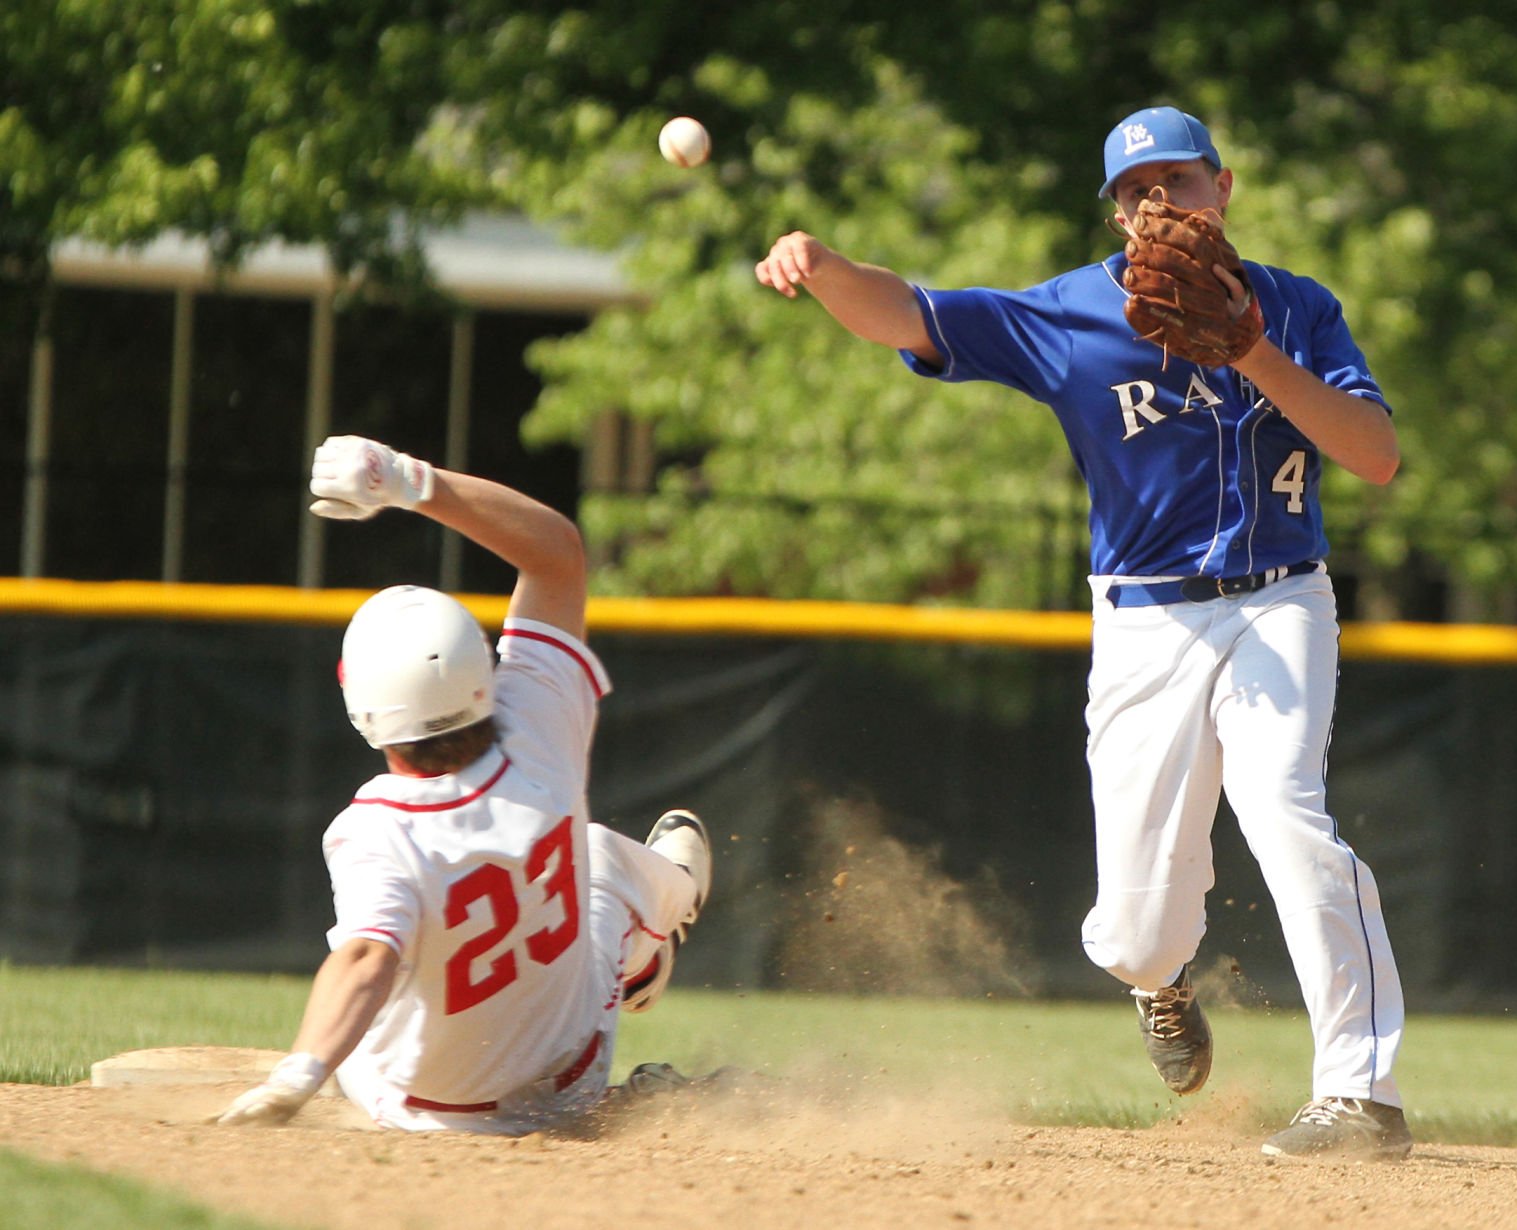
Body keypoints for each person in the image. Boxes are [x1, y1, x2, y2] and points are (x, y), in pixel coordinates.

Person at [755, 105, 1409, 1161]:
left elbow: (1374, 455)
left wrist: (1251, 351)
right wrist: (826, 267)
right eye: (1135, 191)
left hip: (1280, 599)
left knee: (1289, 818)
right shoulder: (1070, 316)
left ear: (1223, 188)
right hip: (1145, 620)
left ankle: (1359, 1094)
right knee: (1138, 931)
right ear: (1115, 214)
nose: (1159, 203)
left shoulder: (1297, 308)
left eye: (1178, 182)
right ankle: (1158, 985)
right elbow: (914, 315)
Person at [215, 434, 711, 1134]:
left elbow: (365, 961)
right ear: (482, 668)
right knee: (599, 856)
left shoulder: (374, 830)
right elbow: (556, 551)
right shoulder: (537, 720)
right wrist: (411, 481)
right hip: (570, 1083)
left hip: (422, 1114)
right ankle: (660, 930)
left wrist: (299, 1073)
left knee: (405, 939)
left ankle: (645, 952)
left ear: (364, 711)